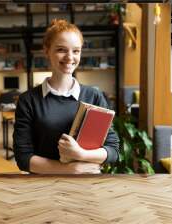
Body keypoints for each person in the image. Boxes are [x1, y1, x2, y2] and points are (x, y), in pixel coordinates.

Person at [13, 19, 119, 174]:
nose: (70, 57)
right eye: (61, 49)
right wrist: (69, 169)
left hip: (87, 184)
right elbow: (23, 158)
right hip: (42, 186)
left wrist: (81, 154)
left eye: (76, 51)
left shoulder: (94, 96)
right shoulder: (28, 100)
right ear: (47, 51)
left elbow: (113, 150)